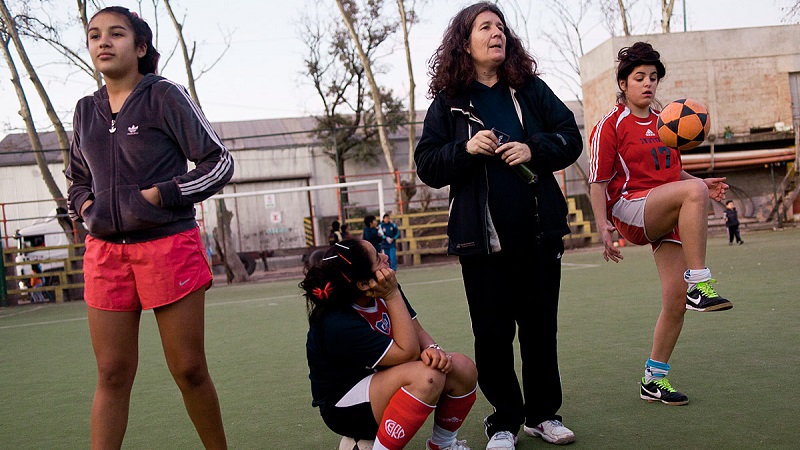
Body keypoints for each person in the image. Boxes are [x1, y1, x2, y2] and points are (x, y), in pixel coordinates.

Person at [414, 3, 582, 448]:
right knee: (492, 334)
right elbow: (427, 165)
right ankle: (504, 420)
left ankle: (543, 415)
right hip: (480, 243)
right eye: (485, 26)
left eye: (501, 27)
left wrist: (533, 149)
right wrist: (465, 150)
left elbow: (570, 136)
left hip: (541, 235)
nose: (497, 33)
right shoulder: (448, 104)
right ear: (464, 42)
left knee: (541, 329)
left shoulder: (529, 89)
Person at [65, 7, 232, 449]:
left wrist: (162, 194)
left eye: (116, 34)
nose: (104, 42)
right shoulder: (85, 111)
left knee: (189, 369)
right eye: (95, 35)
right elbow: (77, 178)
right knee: (112, 372)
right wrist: (86, 208)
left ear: (139, 47)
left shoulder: (165, 96)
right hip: (105, 254)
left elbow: (219, 162)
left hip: (167, 245)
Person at [587, 42, 733, 407]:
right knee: (692, 192)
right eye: (639, 77)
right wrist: (603, 226)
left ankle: (654, 379)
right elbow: (598, 182)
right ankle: (701, 282)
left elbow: (667, 174)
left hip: (663, 208)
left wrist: (699, 181)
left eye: (653, 77)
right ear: (623, 83)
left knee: (675, 302)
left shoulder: (667, 121)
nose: (648, 83)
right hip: (630, 210)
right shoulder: (610, 125)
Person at [300, 240, 478, 450]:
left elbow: (417, 330)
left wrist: (433, 349)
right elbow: (408, 353)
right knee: (427, 376)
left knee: (461, 367)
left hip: (383, 379)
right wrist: (392, 295)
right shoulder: (337, 322)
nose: (385, 257)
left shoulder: (384, 285)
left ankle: (443, 445)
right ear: (364, 284)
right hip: (345, 408)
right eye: (377, 258)